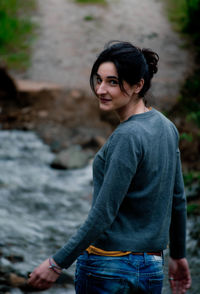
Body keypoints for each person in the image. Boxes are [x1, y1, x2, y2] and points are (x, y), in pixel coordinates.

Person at [28, 41, 191, 293]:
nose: (101, 89)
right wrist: (178, 255)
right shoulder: (166, 127)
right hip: (150, 268)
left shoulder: (127, 136)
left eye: (113, 82)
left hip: (107, 267)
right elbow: (177, 199)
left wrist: (56, 263)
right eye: (99, 80)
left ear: (139, 85)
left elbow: (104, 213)